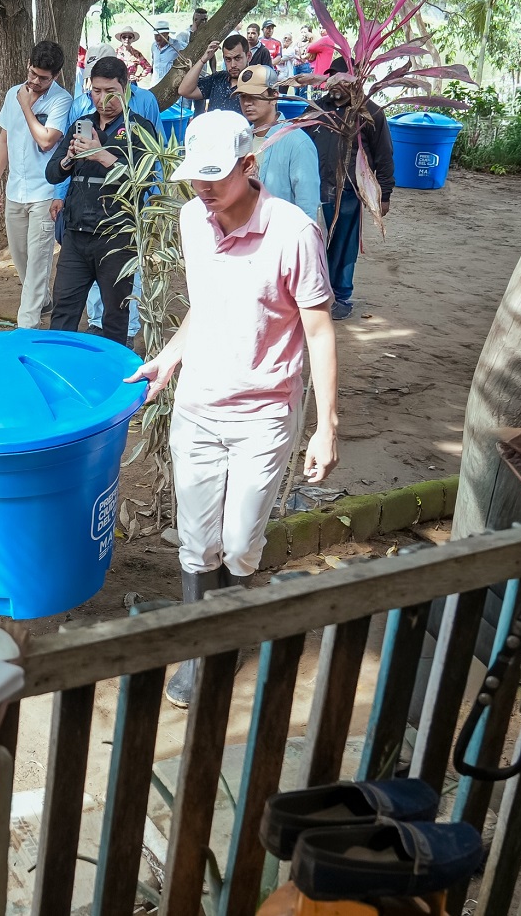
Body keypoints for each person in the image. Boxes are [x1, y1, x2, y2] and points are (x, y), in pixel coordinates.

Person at [124, 110, 339, 709]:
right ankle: (205, 652)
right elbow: (207, 303)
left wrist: (326, 426)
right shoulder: (193, 218)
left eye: (216, 175)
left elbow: (319, 331)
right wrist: (170, 356)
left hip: (263, 414)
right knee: (196, 540)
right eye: (196, 175)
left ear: (249, 165)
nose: (204, 187)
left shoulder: (293, 233)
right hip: (198, 405)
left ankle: (229, 621)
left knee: (241, 541)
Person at [45, 55, 158, 342]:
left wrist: (100, 155)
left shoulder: (139, 129)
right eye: (96, 91)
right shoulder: (81, 124)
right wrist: (70, 158)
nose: (102, 99)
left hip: (117, 237)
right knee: (63, 311)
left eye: (110, 91)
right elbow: (52, 173)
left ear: (126, 89)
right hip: (76, 235)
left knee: (116, 317)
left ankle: (115, 368)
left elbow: (143, 180)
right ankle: (58, 363)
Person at [0, 40, 72, 329]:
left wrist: (26, 106)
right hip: (15, 189)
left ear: (56, 76)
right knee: (21, 258)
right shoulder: (13, 92)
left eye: (43, 78)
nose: (35, 82)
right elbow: (5, 139)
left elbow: (47, 140)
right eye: (33, 74)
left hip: (45, 191)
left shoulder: (61, 100)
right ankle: (42, 301)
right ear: (28, 65)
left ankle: (26, 326)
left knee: (38, 261)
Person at [310, 57, 394, 320]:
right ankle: (315, 294)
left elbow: (384, 156)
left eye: (342, 78)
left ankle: (341, 296)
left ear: (356, 80)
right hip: (316, 190)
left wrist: (384, 194)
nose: (335, 82)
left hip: (348, 192)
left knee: (344, 246)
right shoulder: (317, 109)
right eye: (332, 77)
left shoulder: (371, 113)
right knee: (314, 244)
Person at [235, 65, 320, 221]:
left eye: (254, 96)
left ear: (274, 97)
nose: (247, 103)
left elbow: (308, 209)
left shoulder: (298, 143)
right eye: (243, 96)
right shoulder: (241, 139)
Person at [177, 33, 252, 114]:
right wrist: (203, 60)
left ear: (248, 56)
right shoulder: (218, 79)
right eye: (228, 59)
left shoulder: (256, 82)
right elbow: (184, 91)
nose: (233, 65)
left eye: (237, 58)